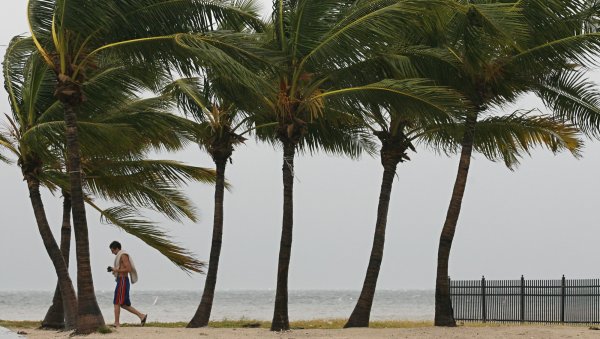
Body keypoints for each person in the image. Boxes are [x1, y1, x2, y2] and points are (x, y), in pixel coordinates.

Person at [108, 241, 147, 328]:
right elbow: (121, 267)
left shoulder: (123, 255)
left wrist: (115, 269)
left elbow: (128, 269)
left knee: (117, 302)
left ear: (117, 248)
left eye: (113, 250)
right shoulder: (120, 256)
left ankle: (117, 323)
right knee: (123, 304)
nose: (112, 252)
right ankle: (142, 316)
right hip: (121, 281)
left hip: (123, 281)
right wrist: (113, 269)